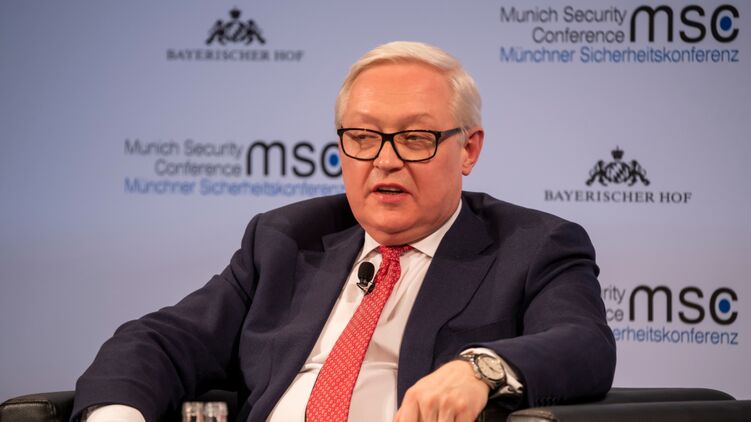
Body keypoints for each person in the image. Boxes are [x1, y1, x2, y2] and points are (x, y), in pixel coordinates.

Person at [72, 41, 616, 422]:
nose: (385, 160)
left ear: (468, 149)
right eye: (363, 137)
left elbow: (584, 344)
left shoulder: (532, 246)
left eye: (415, 138)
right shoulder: (286, 240)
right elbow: (161, 341)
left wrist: (481, 370)